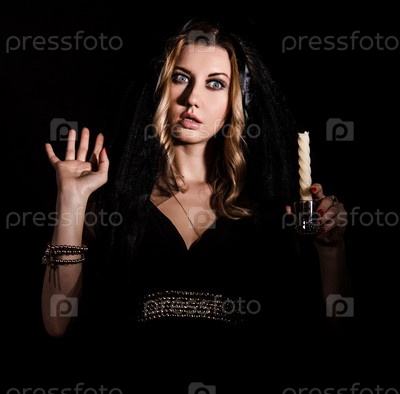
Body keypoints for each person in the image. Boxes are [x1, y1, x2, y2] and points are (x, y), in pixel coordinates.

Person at [41, 17, 352, 358]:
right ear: (162, 87)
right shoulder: (116, 206)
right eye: (181, 78)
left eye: (215, 84)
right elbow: (57, 323)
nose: (192, 98)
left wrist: (331, 250)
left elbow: (335, 331)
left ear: (236, 100)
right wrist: (70, 200)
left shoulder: (271, 211)